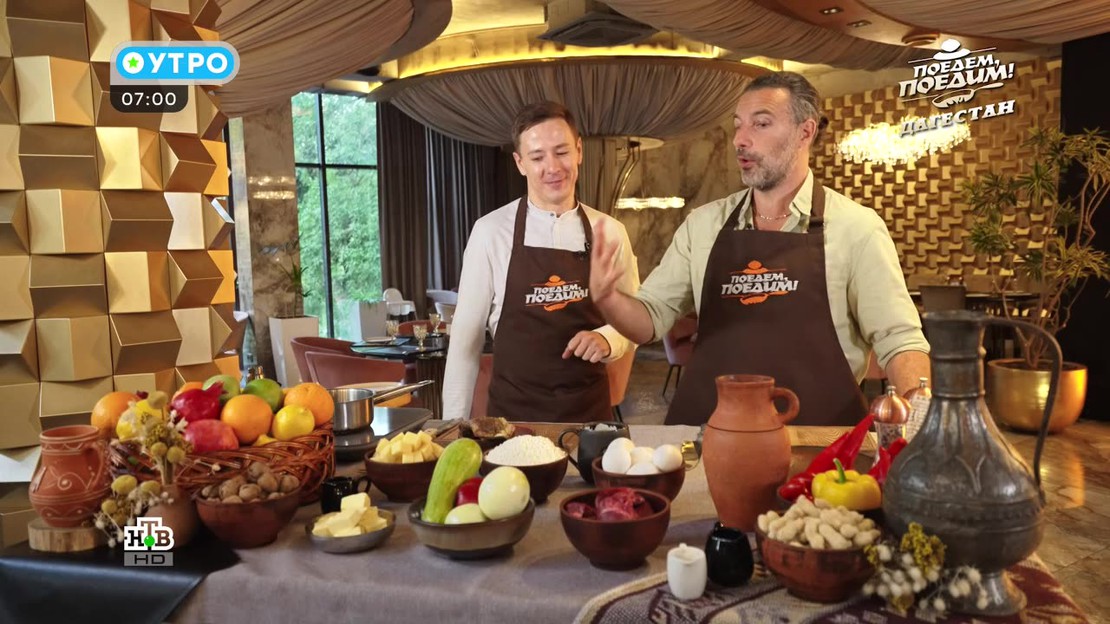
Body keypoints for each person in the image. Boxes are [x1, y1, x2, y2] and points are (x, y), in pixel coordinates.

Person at [589, 72, 930, 426]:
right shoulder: (702, 226)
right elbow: (649, 320)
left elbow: (899, 339)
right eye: (738, 125)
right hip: (712, 437)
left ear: (805, 132)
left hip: (822, 445)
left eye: (761, 124)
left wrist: (920, 420)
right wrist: (609, 299)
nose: (740, 139)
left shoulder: (856, 228)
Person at [442, 101, 640, 423]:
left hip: (589, 422)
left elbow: (635, 323)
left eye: (562, 152)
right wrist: (452, 426)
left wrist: (608, 339)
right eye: (537, 157)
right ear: (520, 163)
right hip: (512, 424)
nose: (553, 167)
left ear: (579, 151)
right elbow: (466, 343)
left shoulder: (611, 232)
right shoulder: (490, 232)